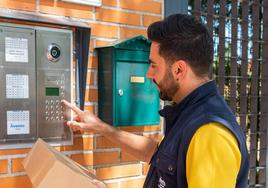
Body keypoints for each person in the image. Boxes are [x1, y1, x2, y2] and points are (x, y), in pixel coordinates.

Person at [62, 14, 249, 188]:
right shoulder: (190, 114)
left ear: (179, 70)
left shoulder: (210, 134)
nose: (148, 74)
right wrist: (100, 127)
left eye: (153, 65)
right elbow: (158, 154)